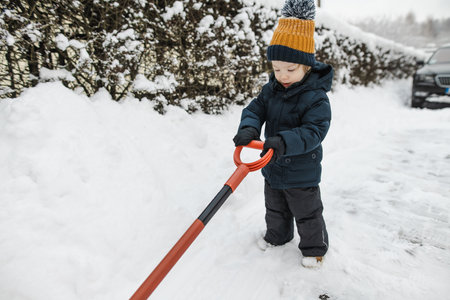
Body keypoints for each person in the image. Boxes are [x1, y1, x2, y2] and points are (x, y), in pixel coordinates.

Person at [233, 0, 332, 268]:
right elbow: (255, 109)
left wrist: (284, 142)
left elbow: (314, 131)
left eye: (290, 69)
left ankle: (314, 248)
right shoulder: (272, 89)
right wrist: (249, 128)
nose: (282, 75)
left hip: (302, 171)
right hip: (273, 166)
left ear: (306, 66)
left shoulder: (316, 98)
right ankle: (278, 237)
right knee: (275, 208)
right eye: (276, 69)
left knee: (307, 213)